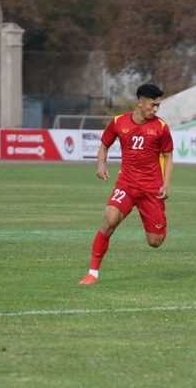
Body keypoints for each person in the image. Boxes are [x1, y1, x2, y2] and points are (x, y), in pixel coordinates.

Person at [79, 83, 174, 284]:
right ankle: (92, 274)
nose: (156, 109)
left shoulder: (161, 127)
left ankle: (160, 222)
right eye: (153, 105)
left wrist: (166, 184)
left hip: (151, 189)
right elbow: (104, 146)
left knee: (155, 242)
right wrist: (101, 165)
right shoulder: (118, 122)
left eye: (158, 106)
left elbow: (168, 156)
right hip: (127, 184)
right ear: (140, 103)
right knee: (109, 221)